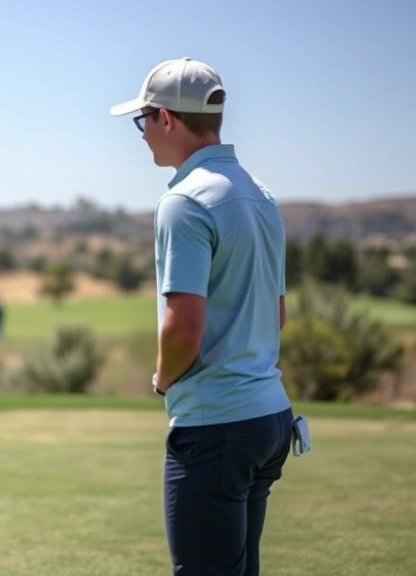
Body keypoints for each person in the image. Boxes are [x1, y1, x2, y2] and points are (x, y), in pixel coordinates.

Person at [109, 57, 294, 575]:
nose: (142, 134)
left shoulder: (184, 202)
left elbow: (183, 327)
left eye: (142, 121)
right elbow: (275, 315)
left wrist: (163, 381)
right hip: (269, 418)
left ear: (165, 118)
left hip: (216, 425)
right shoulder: (261, 195)